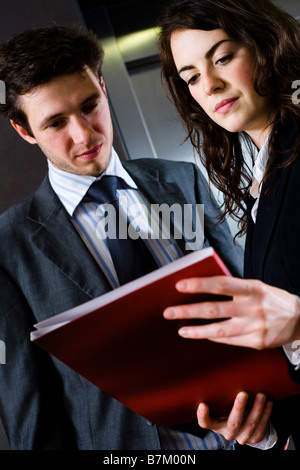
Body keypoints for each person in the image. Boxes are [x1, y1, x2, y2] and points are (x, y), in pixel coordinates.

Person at [0, 24, 246, 450]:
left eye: (89, 105)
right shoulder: (10, 244)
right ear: (24, 131)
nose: (84, 135)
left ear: (103, 87)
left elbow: (244, 301)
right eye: (56, 122)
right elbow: (28, 405)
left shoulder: (181, 181)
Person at [158, 0, 300, 448]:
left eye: (222, 58)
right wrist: (264, 427)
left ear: (265, 45)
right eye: (192, 77)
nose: (211, 84)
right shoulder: (264, 180)